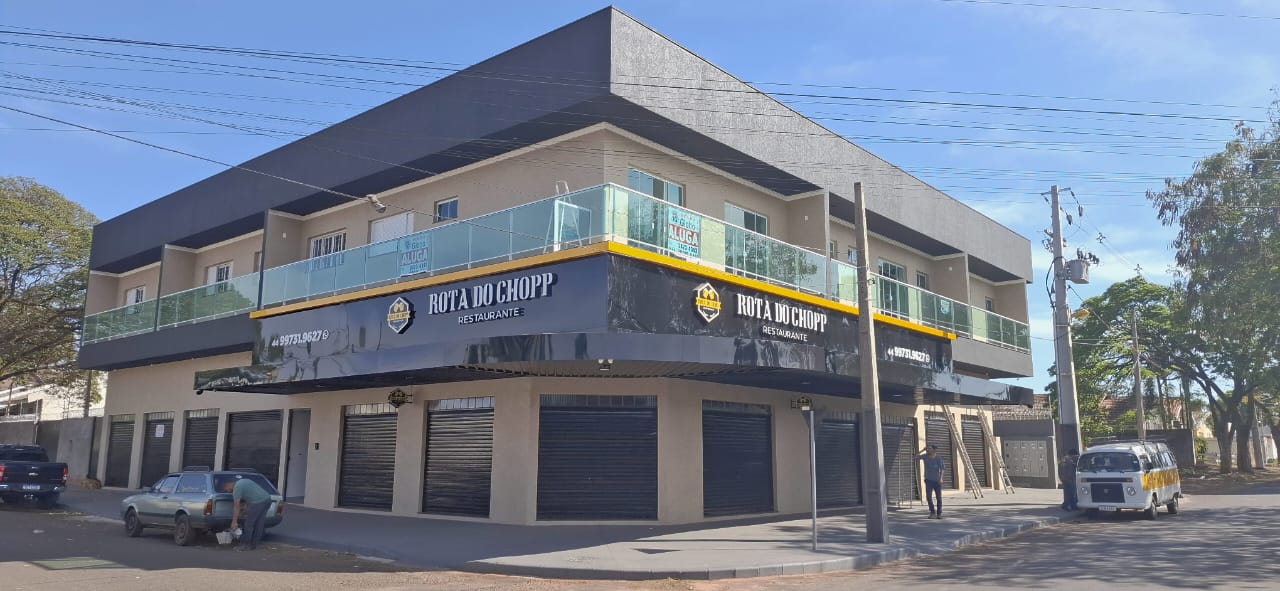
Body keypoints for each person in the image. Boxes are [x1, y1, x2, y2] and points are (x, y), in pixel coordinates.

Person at [225, 476, 272, 551]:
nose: (227, 492)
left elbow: (236, 506)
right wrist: (244, 511)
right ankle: (254, 545)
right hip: (267, 499)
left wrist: (234, 522)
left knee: (248, 524)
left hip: (258, 503)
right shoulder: (244, 481)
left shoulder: (237, 488)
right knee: (259, 524)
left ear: (228, 484)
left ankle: (245, 545)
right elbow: (250, 497)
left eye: (226, 489)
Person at [918, 444, 945, 519]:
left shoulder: (938, 458)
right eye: (927, 448)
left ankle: (939, 513)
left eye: (929, 448)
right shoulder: (925, 456)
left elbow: (942, 469)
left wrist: (941, 478)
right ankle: (932, 512)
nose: (928, 449)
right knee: (928, 497)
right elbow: (915, 457)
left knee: (938, 497)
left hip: (937, 481)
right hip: (928, 480)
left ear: (934, 450)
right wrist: (922, 450)